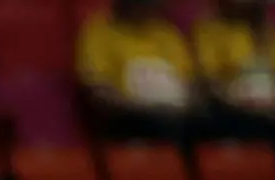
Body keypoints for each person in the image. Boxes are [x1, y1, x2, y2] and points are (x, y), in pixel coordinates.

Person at [193, 0, 275, 144]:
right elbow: (211, 82)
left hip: (273, 110)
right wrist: (242, 98)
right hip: (235, 111)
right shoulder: (208, 31)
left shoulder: (268, 33)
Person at [78, 0, 202, 144]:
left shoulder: (166, 33)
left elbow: (189, 82)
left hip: (175, 112)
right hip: (128, 115)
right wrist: (137, 107)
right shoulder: (99, 32)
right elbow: (98, 90)